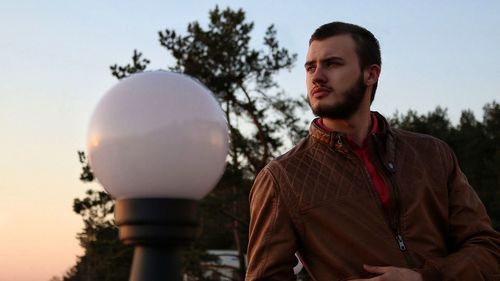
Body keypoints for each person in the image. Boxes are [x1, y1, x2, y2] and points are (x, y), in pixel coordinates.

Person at [245, 21, 500, 281]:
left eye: (332, 64)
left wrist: (424, 277)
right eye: (311, 67)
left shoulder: (432, 154)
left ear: (371, 74)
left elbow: (488, 250)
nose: (317, 76)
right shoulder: (282, 178)